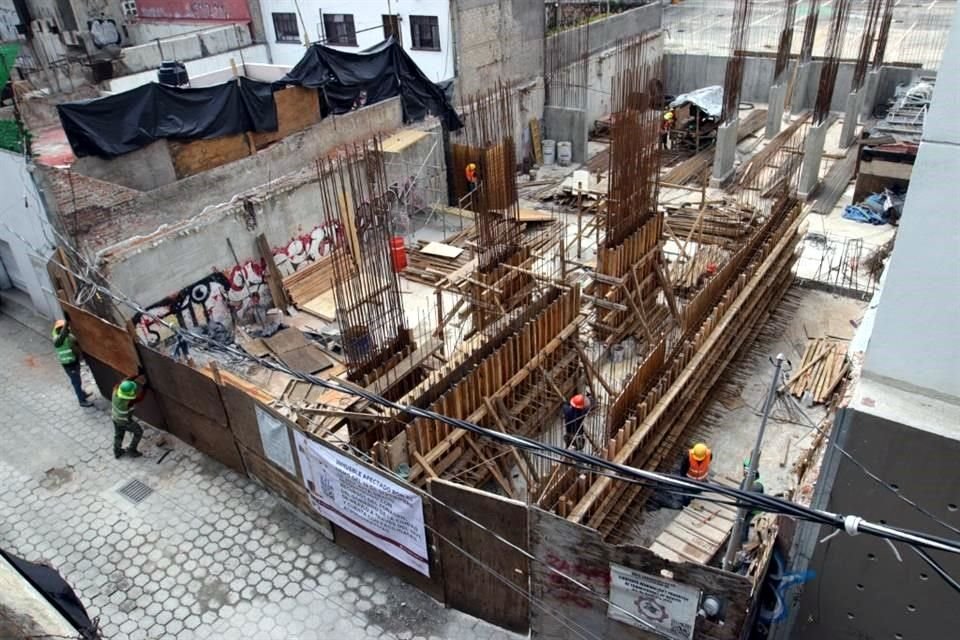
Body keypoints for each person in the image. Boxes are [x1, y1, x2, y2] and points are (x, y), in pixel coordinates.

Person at [52, 319, 93, 408]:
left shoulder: (70, 336)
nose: (65, 330)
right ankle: (82, 401)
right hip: (68, 365)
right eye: (62, 329)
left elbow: (77, 347)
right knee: (76, 383)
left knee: (78, 380)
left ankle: (82, 394)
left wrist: (82, 359)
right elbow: (62, 336)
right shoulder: (57, 340)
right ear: (58, 330)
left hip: (75, 362)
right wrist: (66, 323)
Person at [112, 372, 148, 459]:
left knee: (118, 435)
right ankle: (132, 449)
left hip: (115, 418)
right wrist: (145, 388)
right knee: (138, 432)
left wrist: (137, 374)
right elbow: (140, 398)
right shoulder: (128, 402)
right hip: (125, 421)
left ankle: (117, 451)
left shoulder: (116, 390)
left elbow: (125, 381)